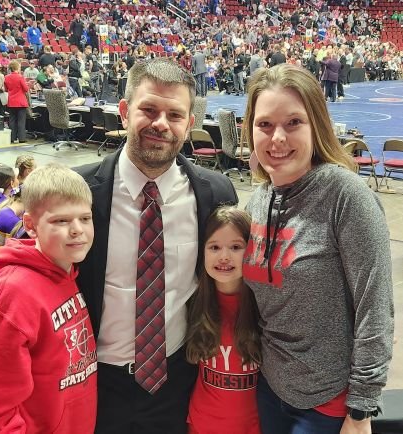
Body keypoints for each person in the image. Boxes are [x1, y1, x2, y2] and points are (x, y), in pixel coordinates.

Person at [75, 57, 238, 434]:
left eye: (174, 115)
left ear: (189, 125)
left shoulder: (214, 192)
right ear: (124, 111)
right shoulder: (79, 192)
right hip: (95, 381)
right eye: (148, 109)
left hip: (176, 381)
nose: (161, 123)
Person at [241, 64, 394, 434]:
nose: (277, 138)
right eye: (264, 125)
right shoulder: (258, 201)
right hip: (268, 389)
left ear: (316, 126)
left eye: (293, 123)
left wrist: (360, 410)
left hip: (328, 403)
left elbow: (375, 311)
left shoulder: (346, 196)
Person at [0, 164, 97, 433]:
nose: (77, 230)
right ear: (30, 225)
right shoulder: (11, 294)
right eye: (61, 221)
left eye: (85, 218)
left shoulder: (67, 271)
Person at [186, 206, 262, 434]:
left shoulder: (265, 305)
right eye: (215, 247)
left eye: (236, 247)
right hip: (201, 424)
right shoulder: (192, 301)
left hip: (254, 426)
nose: (224, 256)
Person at [4, 60, 29, 143]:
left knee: (12, 121)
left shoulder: (6, 77)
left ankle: (12, 138)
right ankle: (21, 138)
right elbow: (26, 89)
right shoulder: (20, 77)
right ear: (17, 67)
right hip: (21, 102)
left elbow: (6, 89)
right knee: (21, 121)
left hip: (11, 102)